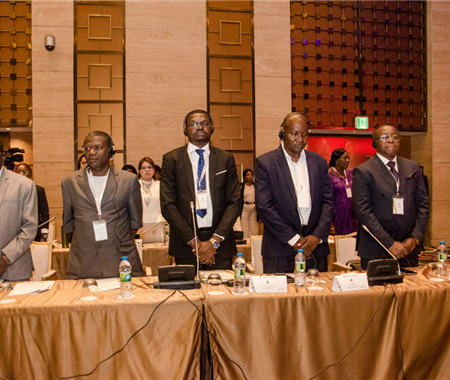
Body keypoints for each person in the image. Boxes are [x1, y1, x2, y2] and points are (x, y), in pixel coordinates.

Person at [160, 109, 241, 269]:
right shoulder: (172, 159)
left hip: (221, 246)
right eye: (193, 124)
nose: (199, 127)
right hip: (186, 245)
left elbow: (235, 202)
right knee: (189, 294)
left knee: (222, 293)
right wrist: (194, 243)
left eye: (204, 123)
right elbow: (168, 205)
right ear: (185, 129)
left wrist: (214, 242)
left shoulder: (225, 158)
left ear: (212, 128)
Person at [255, 112, 333, 273]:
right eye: (294, 134)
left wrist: (316, 236)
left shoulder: (319, 162)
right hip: (280, 248)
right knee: (280, 298)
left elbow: (328, 202)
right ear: (283, 134)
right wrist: (295, 239)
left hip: (315, 249)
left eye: (304, 134)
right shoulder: (266, 163)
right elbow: (264, 206)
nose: (300, 139)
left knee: (318, 297)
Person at [61, 131, 144, 279]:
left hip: (120, 260)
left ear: (111, 150)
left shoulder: (128, 180)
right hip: (83, 263)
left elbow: (135, 222)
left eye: (98, 148)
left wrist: (114, 240)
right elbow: (68, 224)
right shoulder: (69, 182)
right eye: (87, 148)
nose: (92, 152)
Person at [352, 125, 429, 269]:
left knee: (410, 290)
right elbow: (363, 213)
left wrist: (415, 238)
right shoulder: (363, 171)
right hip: (376, 248)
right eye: (385, 137)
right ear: (375, 142)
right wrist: (389, 243)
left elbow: (423, 205)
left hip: (408, 248)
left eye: (395, 137)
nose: (391, 141)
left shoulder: (413, 167)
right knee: (379, 291)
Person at [0, 140, 38, 281]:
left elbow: (29, 228)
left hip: (12, 270)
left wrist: (5, 260)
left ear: (3, 156)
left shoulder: (24, 185)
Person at [15, 163, 50, 241]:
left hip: (34, 233)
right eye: (18, 172)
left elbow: (44, 214)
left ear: (30, 175)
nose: (21, 174)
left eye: (24, 172)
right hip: (15, 234)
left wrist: (44, 236)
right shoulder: (10, 191)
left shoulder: (38, 191)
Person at [328, 149, 358, 235]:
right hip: (338, 215)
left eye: (348, 158)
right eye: (344, 158)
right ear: (337, 160)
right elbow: (328, 200)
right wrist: (330, 224)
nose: (347, 160)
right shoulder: (329, 175)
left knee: (352, 243)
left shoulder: (350, 173)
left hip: (351, 215)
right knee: (340, 244)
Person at [137, 157, 163, 222]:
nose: (147, 170)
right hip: (140, 224)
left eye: (149, 167)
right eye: (144, 168)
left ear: (153, 170)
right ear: (140, 171)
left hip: (158, 223)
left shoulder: (160, 185)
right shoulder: (134, 185)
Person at [240, 168, 258, 238]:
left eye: (251, 175)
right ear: (245, 177)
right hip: (245, 208)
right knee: (245, 226)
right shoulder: (241, 186)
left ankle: (254, 242)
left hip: (254, 208)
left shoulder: (256, 186)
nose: (250, 176)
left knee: (254, 227)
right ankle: (246, 242)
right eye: (248, 175)